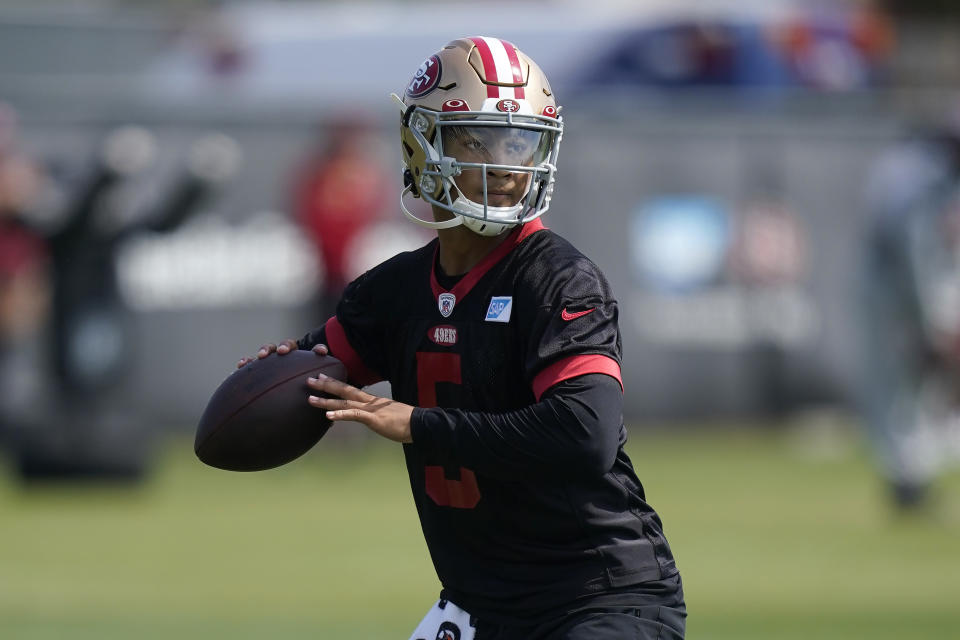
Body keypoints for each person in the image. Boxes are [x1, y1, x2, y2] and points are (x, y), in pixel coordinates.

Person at [239, 37, 685, 639]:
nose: (502, 164)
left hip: (595, 598)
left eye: (519, 140)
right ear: (420, 145)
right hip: (480, 606)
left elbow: (586, 433)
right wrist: (276, 374)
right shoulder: (393, 291)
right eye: (477, 138)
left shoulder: (557, 279)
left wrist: (416, 422)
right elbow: (317, 373)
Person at [858, 106, 960, 511]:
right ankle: (908, 479)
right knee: (904, 388)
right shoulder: (922, 178)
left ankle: (911, 475)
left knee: (908, 390)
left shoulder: (902, 168)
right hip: (896, 297)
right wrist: (935, 318)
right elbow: (914, 249)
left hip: (894, 292)